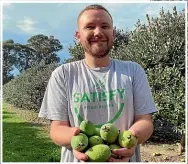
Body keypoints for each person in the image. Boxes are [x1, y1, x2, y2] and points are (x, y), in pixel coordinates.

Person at [38, 4, 157, 162]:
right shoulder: (63, 74)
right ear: (78, 36)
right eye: (90, 26)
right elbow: (56, 129)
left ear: (113, 34)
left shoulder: (133, 71)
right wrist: (78, 140)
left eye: (105, 26)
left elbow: (145, 121)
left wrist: (131, 139)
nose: (98, 32)